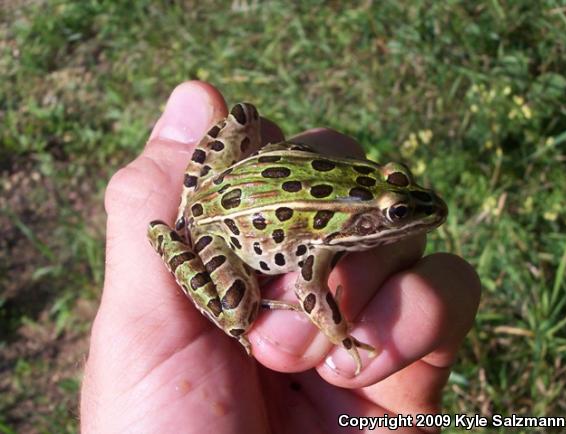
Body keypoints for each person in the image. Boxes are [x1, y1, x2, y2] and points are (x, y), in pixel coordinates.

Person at [80, 81, 480, 433]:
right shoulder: (328, 238)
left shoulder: (342, 198)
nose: (419, 210)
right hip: (215, 233)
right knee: (239, 314)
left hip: (225, 181)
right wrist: (341, 335)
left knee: (246, 117)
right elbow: (309, 290)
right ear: (363, 224)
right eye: (398, 213)